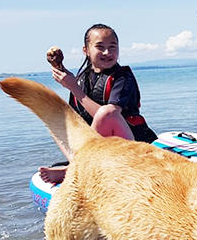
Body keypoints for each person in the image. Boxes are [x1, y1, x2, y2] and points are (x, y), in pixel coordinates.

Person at [40, 23, 157, 184]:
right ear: (86, 50)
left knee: (107, 112)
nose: (107, 52)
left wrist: (74, 88)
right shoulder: (81, 79)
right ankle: (79, 164)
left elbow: (107, 116)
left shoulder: (123, 77)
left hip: (132, 144)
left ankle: (76, 169)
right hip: (100, 150)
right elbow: (76, 121)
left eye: (112, 47)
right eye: (100, 47)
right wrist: (73, 85)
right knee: (57, 117)